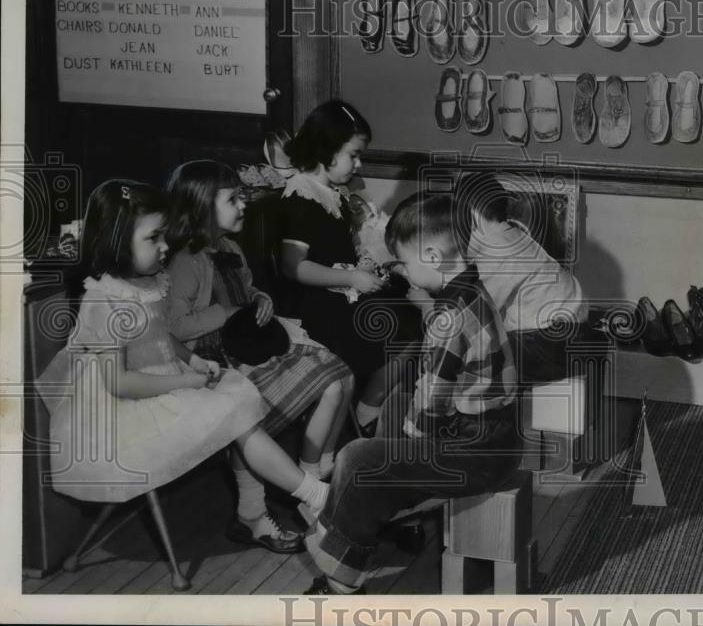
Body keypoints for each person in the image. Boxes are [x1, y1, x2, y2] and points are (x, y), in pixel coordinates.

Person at [37, 180, 330, 535]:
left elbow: (162, 335)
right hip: (122, 412)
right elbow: (119, 382)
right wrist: (185, 380)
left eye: (164, 236)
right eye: (153, 238)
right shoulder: (104, 300)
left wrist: (191, 360)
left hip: (165, 378)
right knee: (233, 412)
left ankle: (305, 497)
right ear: (114, 239)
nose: (164, 247)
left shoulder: (150, 280)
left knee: (238, 406)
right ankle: (312, 495)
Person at [301, 192, 522, 595]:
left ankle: (341, 583)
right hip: (499, 438)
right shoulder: (472, 292)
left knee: (357, 458)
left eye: (403, 261)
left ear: (434, 258)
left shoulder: (447, 319)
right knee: (398, 402)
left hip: (476, 455)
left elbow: (429, 411)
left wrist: (395, 451)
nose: (401, 270)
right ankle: (393, 511)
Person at [165, 160, 355, 552]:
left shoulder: (229, 247)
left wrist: (259, 298)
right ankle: (257, 511)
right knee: (251, 412)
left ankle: (308, 476)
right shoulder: (187, 259)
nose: (243, 205)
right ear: (201, 206)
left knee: (335, 373)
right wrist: (232, 311)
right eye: (232, 199)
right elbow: (178, 326)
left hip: (247, 344)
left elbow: (247, 291)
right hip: (212, 358)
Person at [277, 101, 419, 437]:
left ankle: (370, 409)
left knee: (413, 310)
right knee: (403, 325)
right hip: (316, 306)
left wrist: (364, 264)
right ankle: (366, 414)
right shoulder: (300, 198)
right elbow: (294, 267)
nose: (359, 164)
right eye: (353, 155)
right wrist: (352, 277)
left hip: (342, 293)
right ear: (326, 149)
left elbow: (336, 248)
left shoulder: (332, 193)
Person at [453, 171, 589, 383]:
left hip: (548, 344)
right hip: (576, 329)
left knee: (470, 356)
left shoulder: (496, 250)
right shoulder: (516, 236)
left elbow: (478, 312)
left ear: (472, 217)